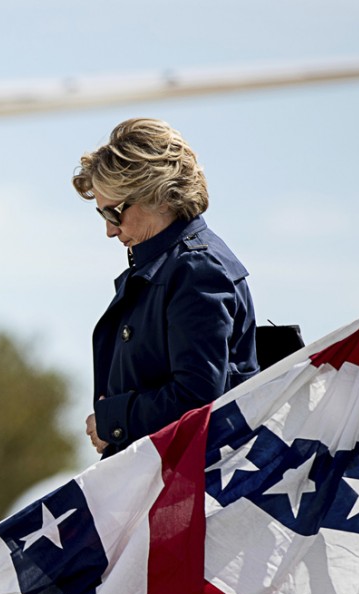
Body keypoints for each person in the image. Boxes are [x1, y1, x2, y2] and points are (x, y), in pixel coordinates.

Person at [76, 117, 258, 458]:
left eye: (113, 214)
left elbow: (198, 399)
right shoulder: (173, 266)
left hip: (188, 489)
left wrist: (114, 421)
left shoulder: (196, 269)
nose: (110, 232)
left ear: (158, 195)